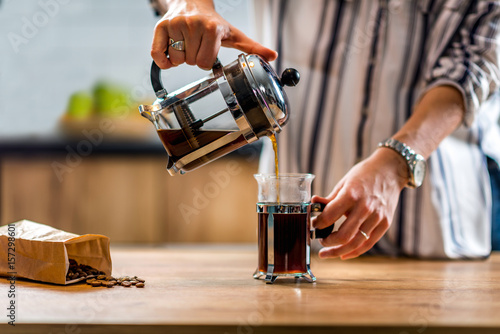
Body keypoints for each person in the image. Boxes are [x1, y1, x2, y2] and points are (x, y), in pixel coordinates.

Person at [149, 0, 500, 259]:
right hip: (301, 249)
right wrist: (189, 5)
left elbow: (477, 61)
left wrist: (397, 163)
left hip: (432, 237)